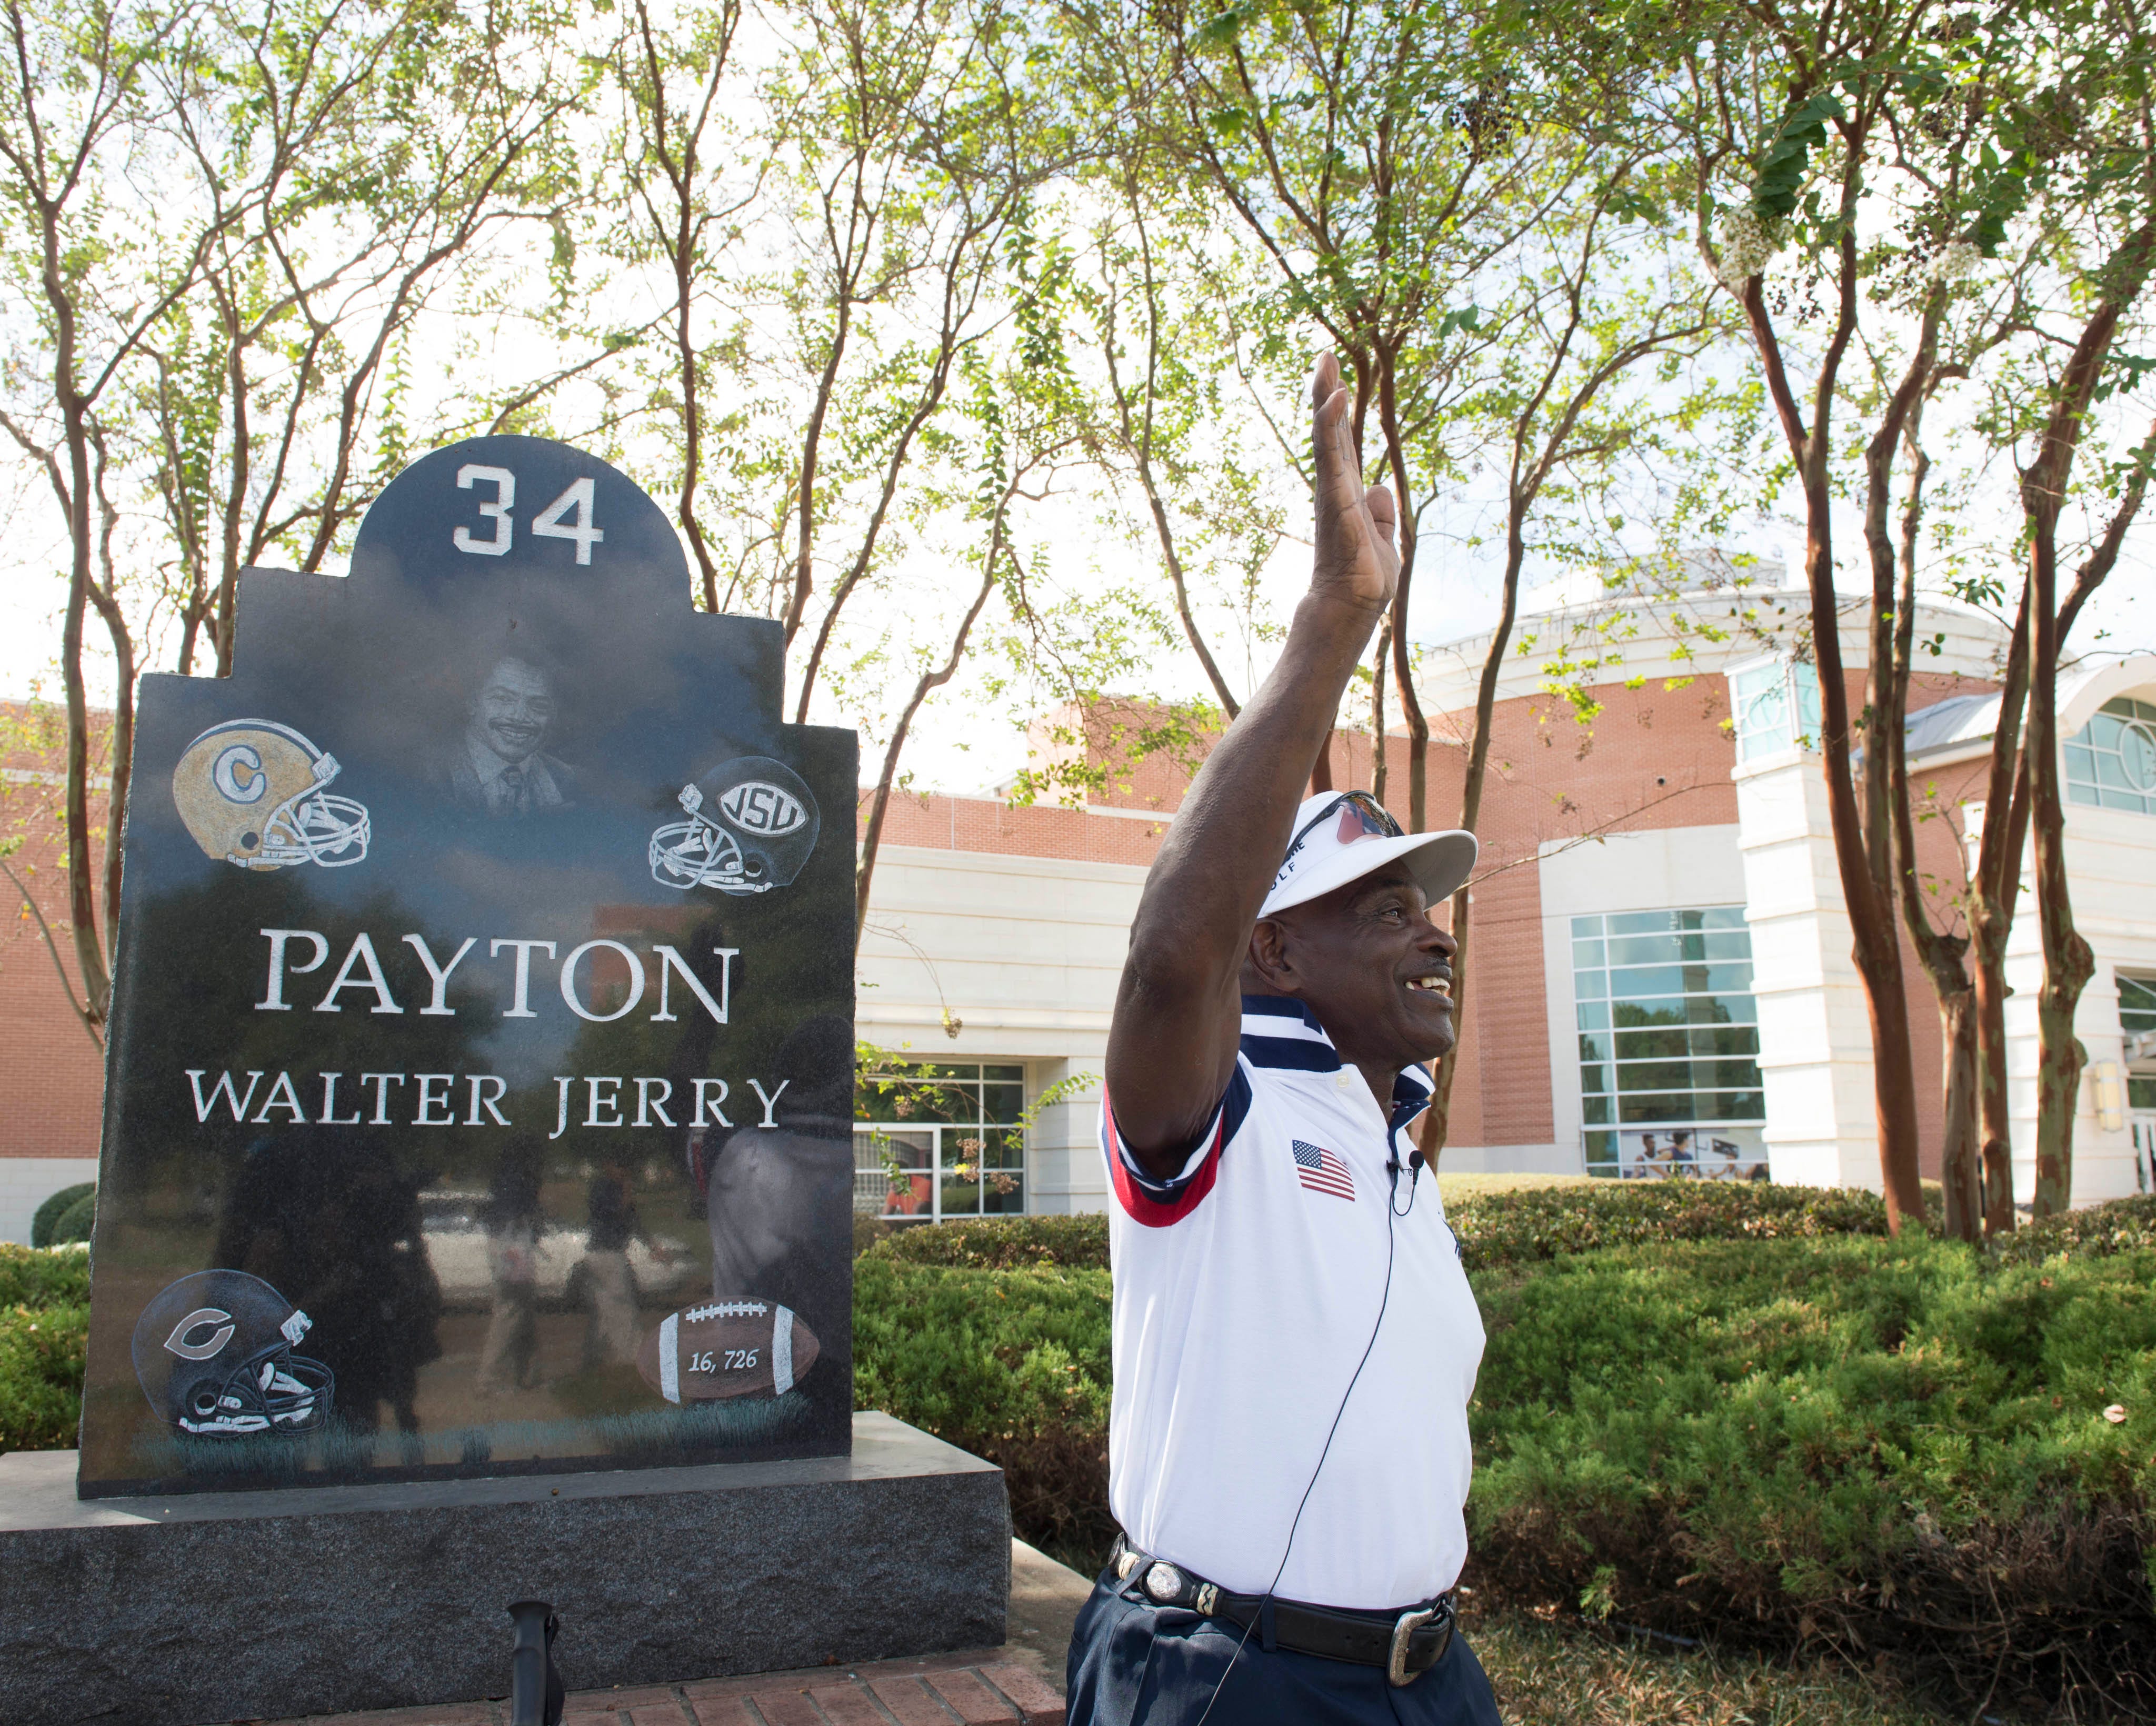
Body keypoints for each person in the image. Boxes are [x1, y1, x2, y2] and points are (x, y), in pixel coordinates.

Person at [1065, 353, 1501, 1725]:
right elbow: (1167, 959)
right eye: (1382, 910)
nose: (1434, 934)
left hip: (1433, 1685)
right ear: (1274, 951)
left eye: (1430, 908)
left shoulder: (1395, 1150)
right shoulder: (1222, 1108)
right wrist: (1335, 616)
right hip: (1226, 1684)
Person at [430, 652, 576, 817]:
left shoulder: (566, 779)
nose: (519, 717)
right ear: (473, 702)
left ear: (553, 715)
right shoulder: (430, 776)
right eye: (503, 699)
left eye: (538, 706)